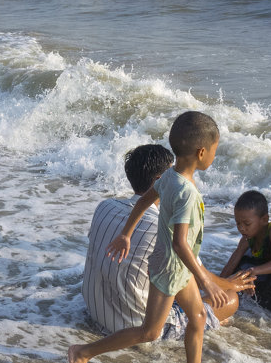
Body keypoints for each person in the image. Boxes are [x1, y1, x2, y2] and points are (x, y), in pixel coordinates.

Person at [68, 112, 253, 363]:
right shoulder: (187, 193)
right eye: (215, 150)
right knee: (150, 331)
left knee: (199, 316)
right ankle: (83, 353)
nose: (214, 156)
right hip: (170, 270)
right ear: (202, 152)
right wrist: (205, 282)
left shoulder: (168, 177)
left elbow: (143, 201)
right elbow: (180, 243)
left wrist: (125, 234)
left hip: (175, 267)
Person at [83, 144, 249, 341]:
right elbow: (196, 276)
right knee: (229, 300)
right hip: (131, 327)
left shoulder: (105, 206)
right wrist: (231, 284)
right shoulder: (163, 227)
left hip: (95, 309)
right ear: (159, 182)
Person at [219, 190, 271, 284]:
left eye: (247, 224)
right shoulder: (247, 238)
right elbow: (231, 264)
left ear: (264, 219)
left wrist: (253, 271)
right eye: (238, 223)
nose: (241, 228)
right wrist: (220, 284)